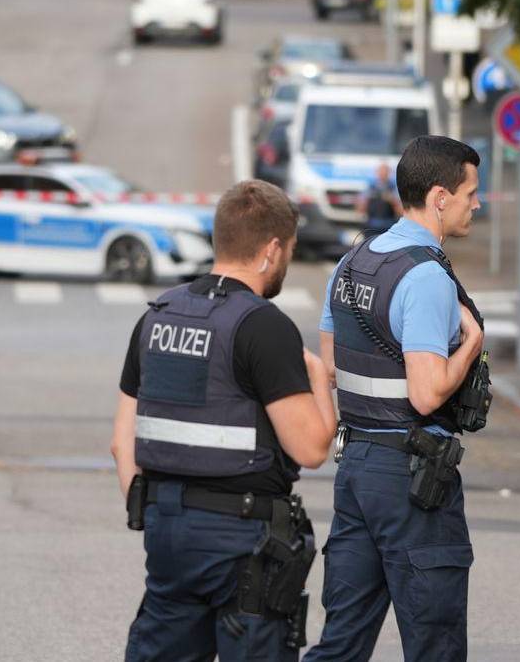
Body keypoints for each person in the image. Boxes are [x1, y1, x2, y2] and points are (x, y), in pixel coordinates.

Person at [113, 179, 340, 661]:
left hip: (169, 531)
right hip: (243, 540)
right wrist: (318, 376)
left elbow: (122, 443)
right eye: (291, 250)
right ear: (272, 249)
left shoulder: (158, 316)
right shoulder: (262, 326)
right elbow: (312, 448)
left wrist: (157, 513)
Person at [308, 135, 488, 662]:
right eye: (470, 192)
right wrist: (471, 342)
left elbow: (332, 361)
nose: (476, 203)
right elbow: (428, 392)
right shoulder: (426, 276)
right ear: (439, 197)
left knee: (341, 643)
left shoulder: (354, 261)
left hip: (359, 467)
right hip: (413, 478)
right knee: (434, 643)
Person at [362, 163, 399, 234]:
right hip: (372, 223)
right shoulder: (371, 187)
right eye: (381, 172)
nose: (383, 174)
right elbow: (361, 207)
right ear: (377, 173)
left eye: (385, 172)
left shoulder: (393, 187)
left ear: (389, 173)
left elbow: (400, 210)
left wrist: (390, 199)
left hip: (389, 223)